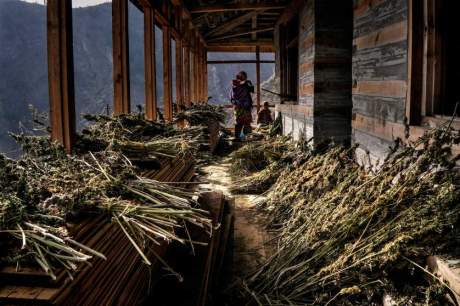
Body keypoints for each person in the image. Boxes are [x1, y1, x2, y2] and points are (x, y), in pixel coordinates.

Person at [231, 71, 254, 139]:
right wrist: (245, 82)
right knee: (239, 122)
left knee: (247, 122)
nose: (245, 78)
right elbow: (236, 85)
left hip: (246, 106)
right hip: (239, 106)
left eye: (245, 76)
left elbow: (252, 90)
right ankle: (237, 137)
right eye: (243, 76)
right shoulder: (235, 82)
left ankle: (247, 136)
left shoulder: (246, 84)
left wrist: (249, 84)